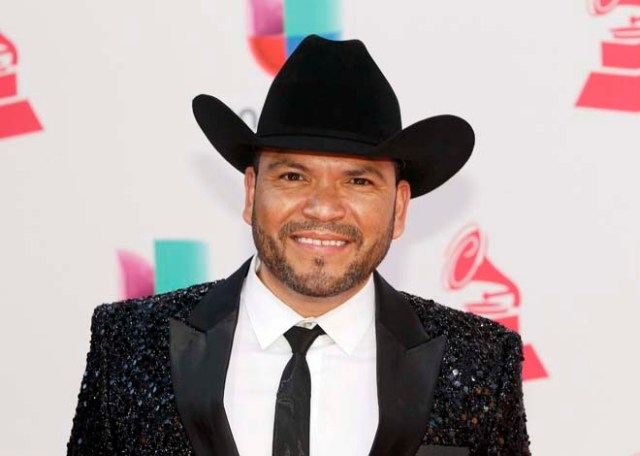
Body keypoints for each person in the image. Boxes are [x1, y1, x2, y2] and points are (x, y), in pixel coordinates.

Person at [67, 35, 530, 456]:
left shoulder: (479, 364)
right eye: (293, 176)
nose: (324, 208)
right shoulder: (128, 344)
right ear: (251, 194)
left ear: (400, 207)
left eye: (359, 180)